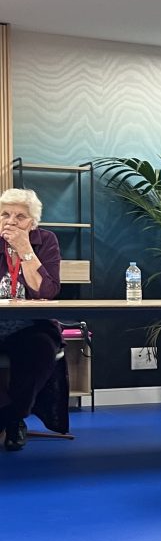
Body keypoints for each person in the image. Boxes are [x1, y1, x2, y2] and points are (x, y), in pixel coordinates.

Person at [0, 188, 65, 451]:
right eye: (5, 214)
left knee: (41, 349)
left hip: (30, 325)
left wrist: (25, 249)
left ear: (33, 222)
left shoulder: (46, 241)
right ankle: (8, 415)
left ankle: (14, 419)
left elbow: (46, 292)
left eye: (20, 216)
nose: (11, 221)